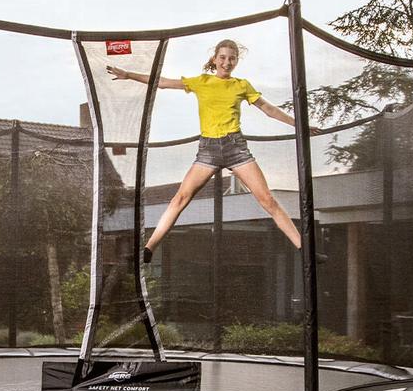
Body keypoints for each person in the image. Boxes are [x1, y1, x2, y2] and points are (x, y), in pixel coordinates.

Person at [108, 39, 304, 263]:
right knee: (180, 198)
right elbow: (162, 83)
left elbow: (268, 109)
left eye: (232, 58)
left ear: (236, 61)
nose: (227, 62)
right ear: (215, 59)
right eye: (223, 57)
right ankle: (149, 249)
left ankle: (303, 248)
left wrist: (298, 124)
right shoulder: (202, 81)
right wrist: (128, 75)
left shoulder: (241, 85)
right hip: (208, 151)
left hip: (236, 148)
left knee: (267, 199)